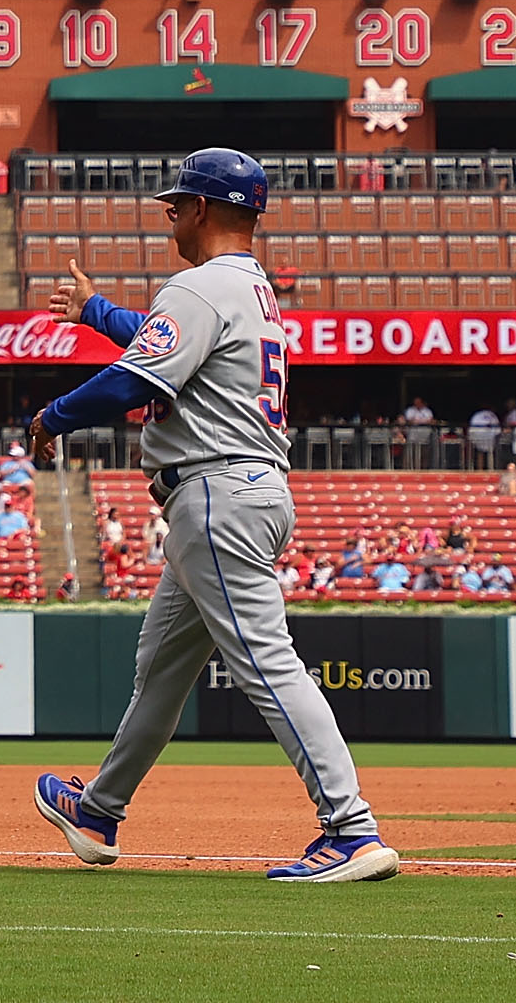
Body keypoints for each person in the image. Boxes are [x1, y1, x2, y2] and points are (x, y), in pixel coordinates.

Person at [28, 146, 397, 882]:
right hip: (239, 493)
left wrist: (54, 414)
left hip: (216, 495)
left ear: (201, 209)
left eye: (177, 203)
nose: (169, 215)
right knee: (161, 671)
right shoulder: (247, 290)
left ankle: (352, 829)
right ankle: (99, 808)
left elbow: (137, 375)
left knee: (267, 661)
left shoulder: (199, 287)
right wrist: (96, 309)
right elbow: (160, 338)